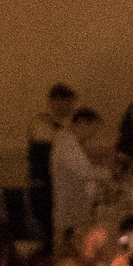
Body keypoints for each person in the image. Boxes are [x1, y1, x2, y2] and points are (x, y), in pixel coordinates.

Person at [26, 80, 77, 247]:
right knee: (48, 232)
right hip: (44, 187)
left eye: (70, 103)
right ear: (53, 102)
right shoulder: (41, 124)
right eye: (64, 103)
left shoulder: (66, 127)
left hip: (61, 187)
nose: (68, 108)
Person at [49, 102, 103, 238]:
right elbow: (84, 174)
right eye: (92, 130)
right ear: (82, 123)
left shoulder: (70, 143)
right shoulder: (66, 143)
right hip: (70, 214)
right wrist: (111, 174)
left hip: (75, 212)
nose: (91, 136)